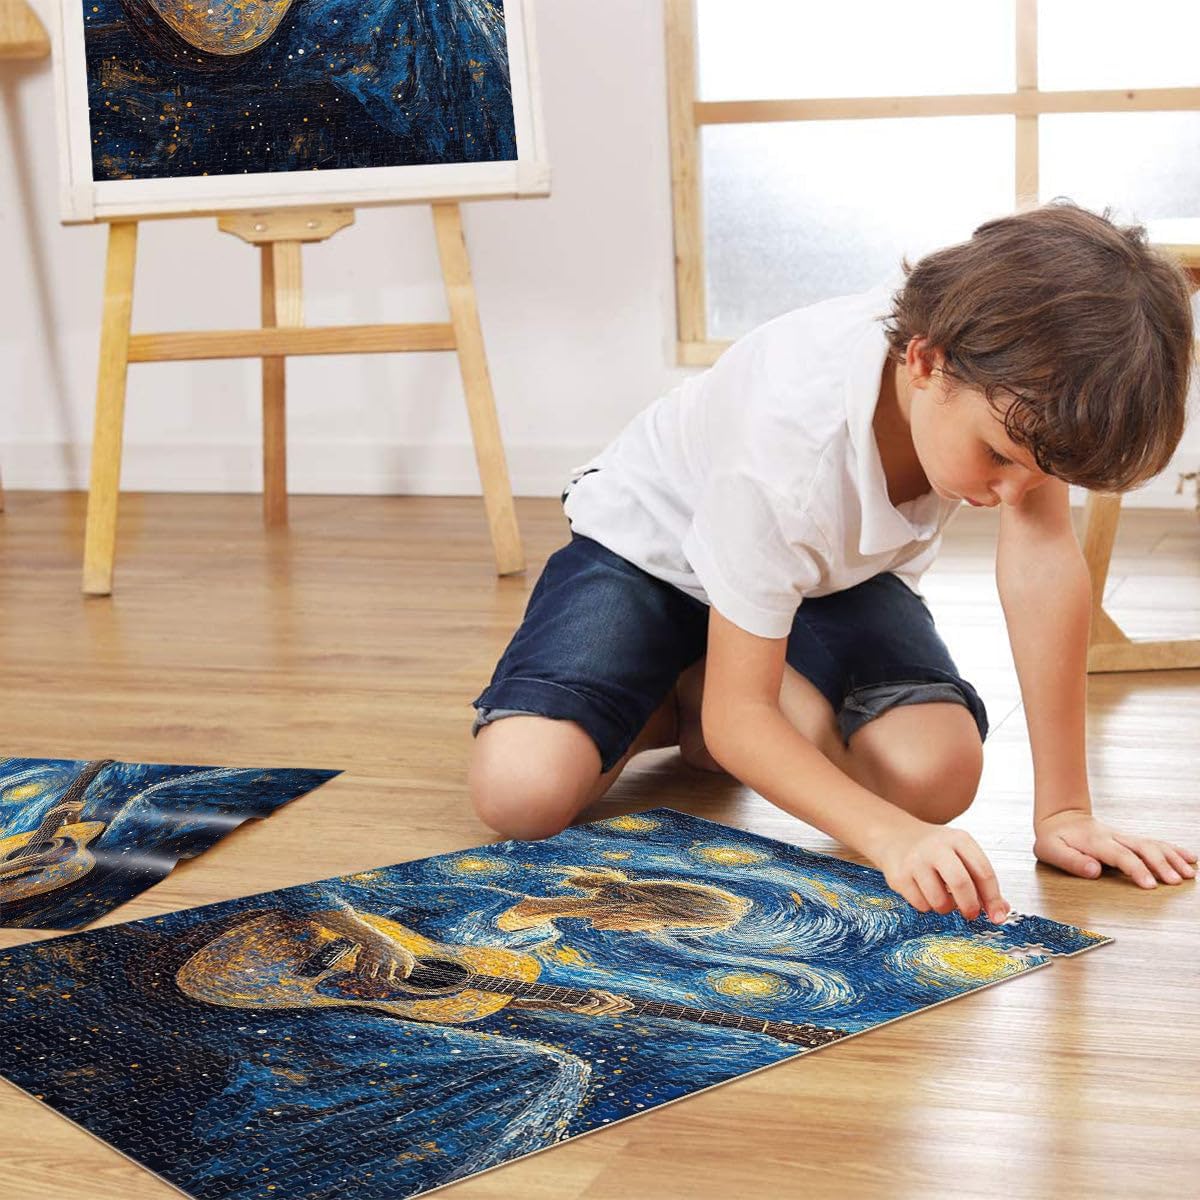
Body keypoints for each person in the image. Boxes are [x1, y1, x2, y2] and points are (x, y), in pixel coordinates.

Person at [468, 200, 1199, 922]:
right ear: (925, 362)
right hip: (652, 555)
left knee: (936, 775)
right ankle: (682, 687)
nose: (1013, 493)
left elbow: (1042, 561)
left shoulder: (1019, 370)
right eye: (999, 458)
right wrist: (889, 837)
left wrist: (1065, 809)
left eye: (1039, 474)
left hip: (822, 579)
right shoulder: (787, 447)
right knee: (521, 792)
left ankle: (701, 681)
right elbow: (740, 718)